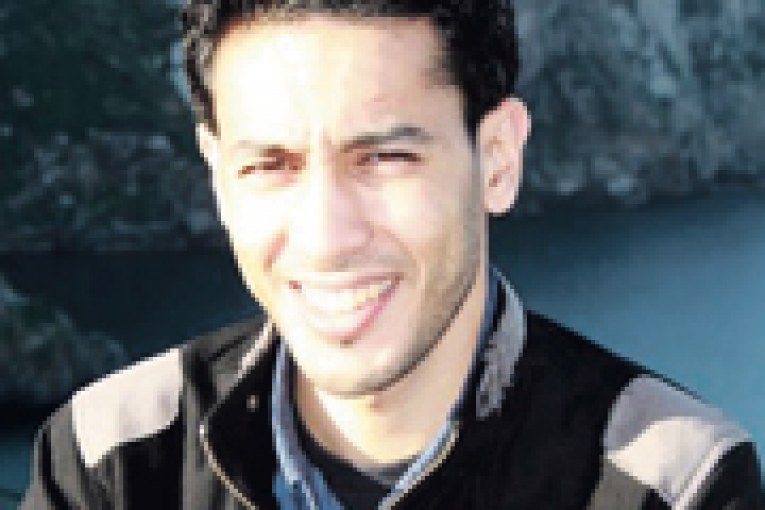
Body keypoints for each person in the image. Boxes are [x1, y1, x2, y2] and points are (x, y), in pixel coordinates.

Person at [21, 1, 764, 508]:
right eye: (270, 165)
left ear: (497, 160)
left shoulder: (672, 484)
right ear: (218, 178)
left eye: (383, 159)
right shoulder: (110, 458)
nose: (325, 238)